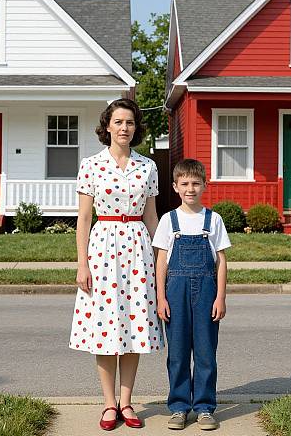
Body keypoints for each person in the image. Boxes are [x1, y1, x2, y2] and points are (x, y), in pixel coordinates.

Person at [69, 98, 163, 431]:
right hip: (103, 248)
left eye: (131, 123)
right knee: (106, 328)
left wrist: (160, 259)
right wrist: (83, 264)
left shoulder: (148, 166)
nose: (125, 128)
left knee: (135, 327)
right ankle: (109, 404)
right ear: (107, 126)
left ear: (136, 128)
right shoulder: (91, 165)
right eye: (119, 122)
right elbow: (83, 219)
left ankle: (127, 401)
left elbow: (152, 217)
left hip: (138, 247)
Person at [153, 159, 230, 431]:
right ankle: (179, 407)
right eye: (184, 184)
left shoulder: (213, 219)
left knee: (206, 352)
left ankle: (205, 407)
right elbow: (161, 262)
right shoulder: (168, 219)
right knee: (178, 353)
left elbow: (221, 261)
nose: (190, 189)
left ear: (205, 186)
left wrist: (220, 297)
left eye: (196, 183)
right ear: (175, 187)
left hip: (207, 292)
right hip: (175, 292)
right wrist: (161, 298)